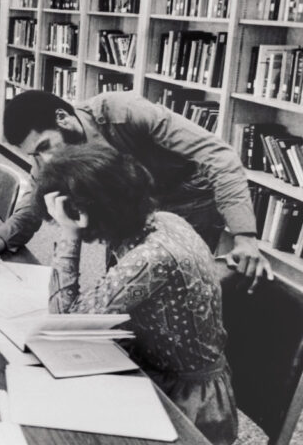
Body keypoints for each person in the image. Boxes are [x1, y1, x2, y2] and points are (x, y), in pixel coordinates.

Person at [20, 144, 238, 444]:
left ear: (82, 211)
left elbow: (64, 326)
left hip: (188, 406)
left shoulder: (151, 257)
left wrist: (69, 236)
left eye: (62, 217)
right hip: (154, 369)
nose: (61, 224)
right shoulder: (163, 219)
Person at [0, 90, 273, 291]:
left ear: (63, 118)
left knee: (179, 284)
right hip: (131, 206)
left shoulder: (122, 111)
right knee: (120, 287)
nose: (46, 159)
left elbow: (219, 156)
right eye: (35, 155)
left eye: (45, 146)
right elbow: (36, 203)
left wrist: (244, 236)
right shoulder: (50, 156)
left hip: (186, 196)